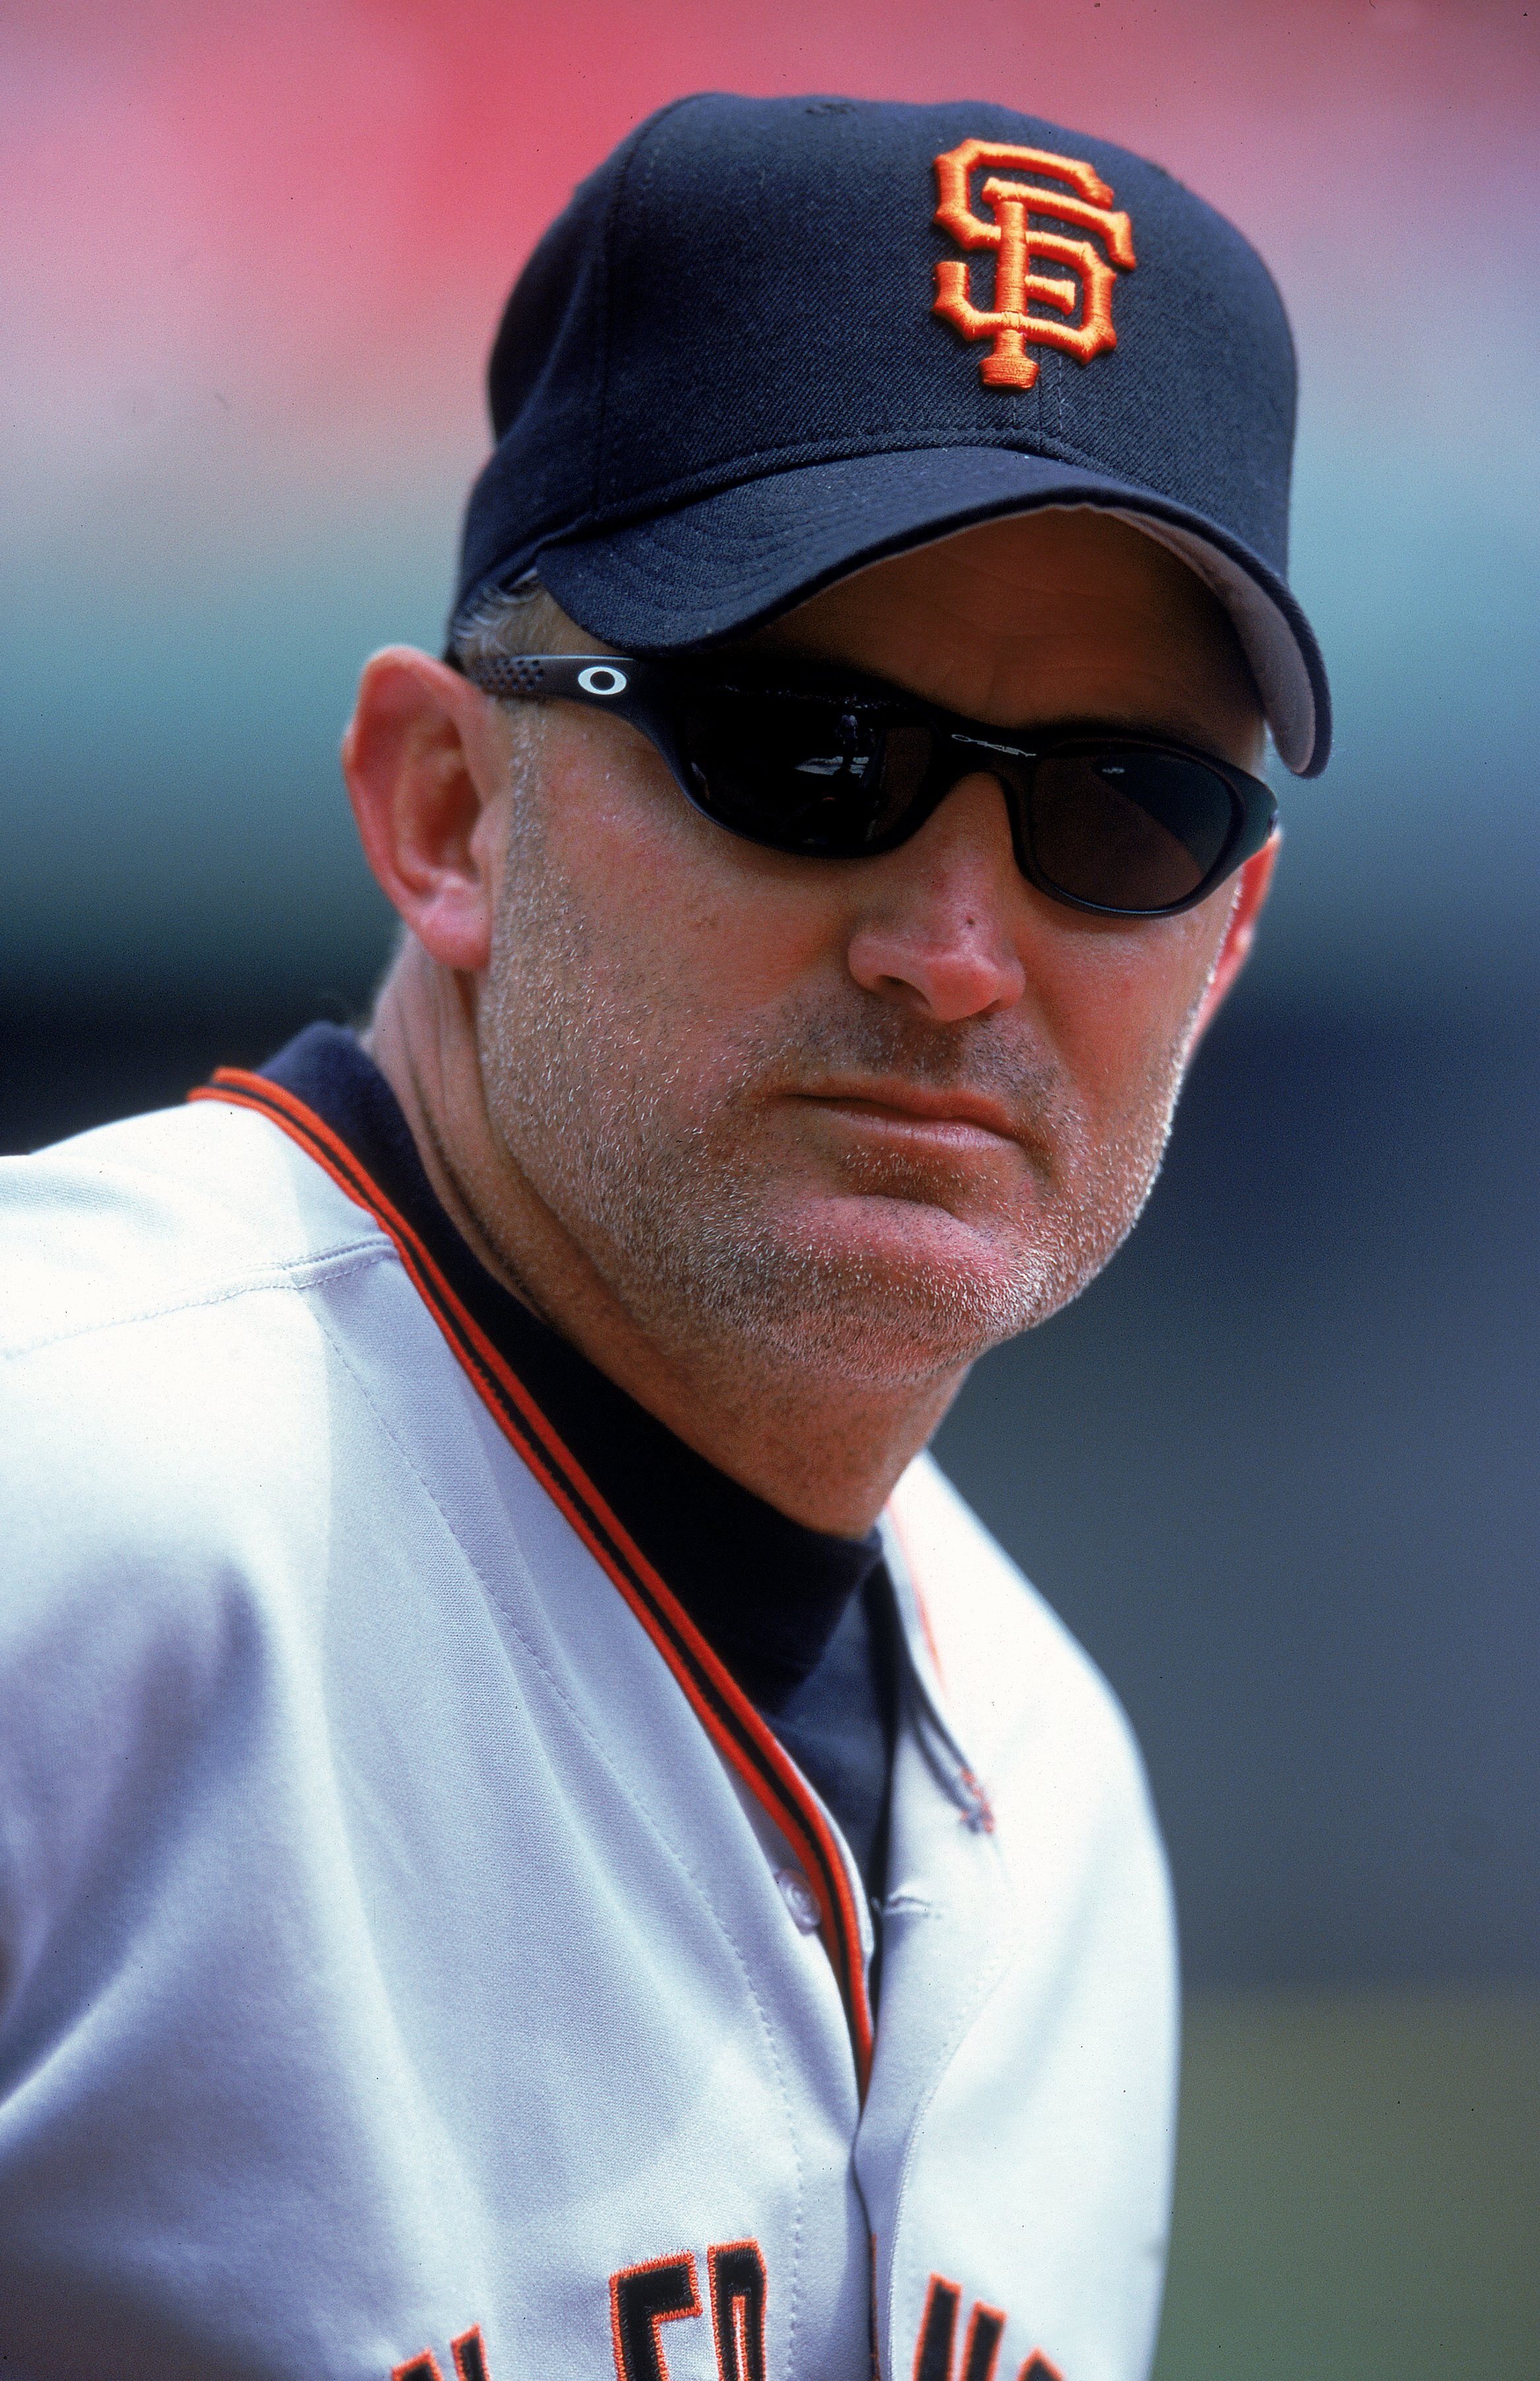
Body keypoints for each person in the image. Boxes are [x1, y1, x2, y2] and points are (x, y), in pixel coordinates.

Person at [0, 94, 1328, 2381]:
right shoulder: (58, 1492)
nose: (950, 945)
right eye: (801, 747)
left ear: (1222, 943)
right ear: (446, 811)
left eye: (1123, 805)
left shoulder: (1059, 1787)